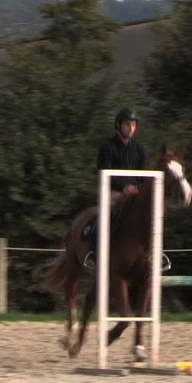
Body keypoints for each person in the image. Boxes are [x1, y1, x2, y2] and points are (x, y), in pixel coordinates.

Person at [82, 107, 147, 268]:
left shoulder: (139, 150)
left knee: (152, 213)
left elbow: (143, 177)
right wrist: (124, 187)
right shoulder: (107, 147)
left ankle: (154, 253)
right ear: (118, 125)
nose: (131, 128)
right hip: (113, 191)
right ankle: (94, 252)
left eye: (133, 124)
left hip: (134, 193)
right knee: (107, 214)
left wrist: (136, 188)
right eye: (127, 124)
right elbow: (104, 173)